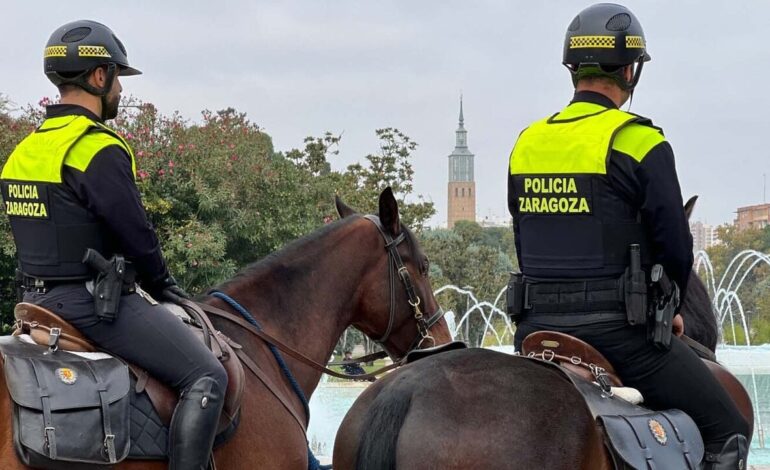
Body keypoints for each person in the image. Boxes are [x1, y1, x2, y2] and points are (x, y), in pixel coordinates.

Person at [506, 4, 749, 469]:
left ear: (572, 68)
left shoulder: (527, 142)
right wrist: (672, 310)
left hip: (534, 332)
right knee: (727, 429)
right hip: (619, 336)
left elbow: (523, 235)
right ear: (631, 70)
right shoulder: (640, 141)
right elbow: (676, 247)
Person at [0, 20, 227, 470]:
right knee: (207, 375)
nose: (121, 87)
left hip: (33, 302)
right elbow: (136, 235)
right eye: (118, 76)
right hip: (91, 307)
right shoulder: (96, 147)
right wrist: (164, 286)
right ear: (98, 77)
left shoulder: (24, 150)